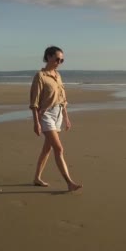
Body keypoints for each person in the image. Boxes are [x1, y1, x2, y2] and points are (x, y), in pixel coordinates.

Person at [29, 46, 82, 192]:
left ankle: (36, 178)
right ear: (48, 57)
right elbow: (34, 102)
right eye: (57, 59)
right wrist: (36, 123)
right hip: (45, 115)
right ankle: (69, 182)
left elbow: (62, 98)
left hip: (58, 113)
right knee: (59, 148)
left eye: (62, 60)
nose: (59, 62)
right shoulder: (40, 76)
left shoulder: (58, 76)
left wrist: (66, 117)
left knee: (47, 149)